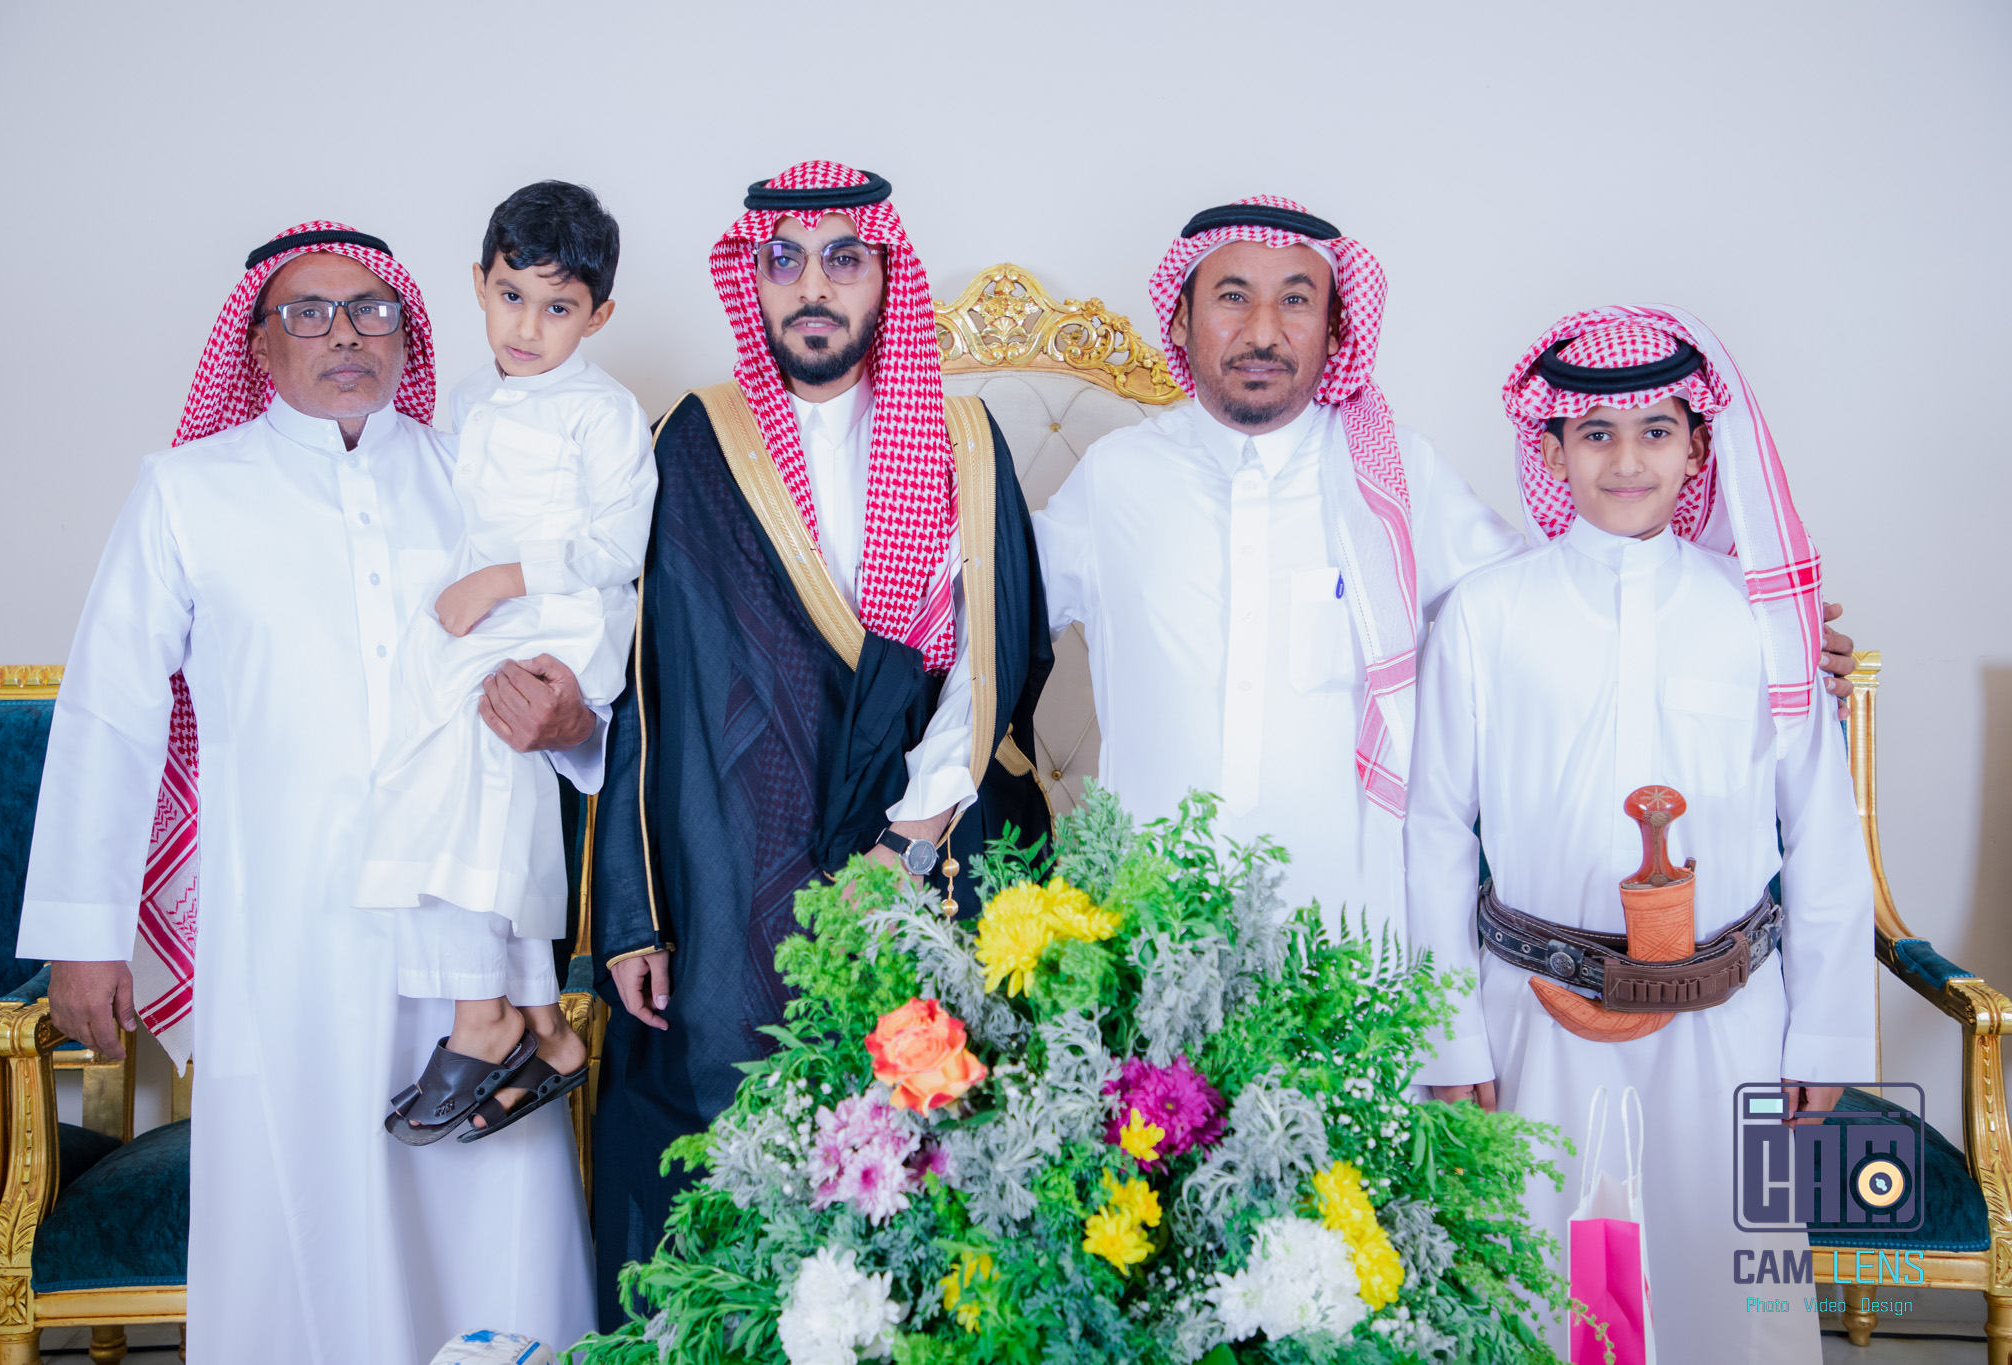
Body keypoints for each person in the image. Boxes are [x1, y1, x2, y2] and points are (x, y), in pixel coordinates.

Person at [17, 223, 597, 1359]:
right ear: (258, 343)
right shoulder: (188, 491)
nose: (345, 335)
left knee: (490, 1202)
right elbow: (109, 715)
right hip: (286, 936)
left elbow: (572, 650)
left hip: (467, 936)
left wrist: (574, 723)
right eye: (310, 313)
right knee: (309, 1210)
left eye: (371, 311)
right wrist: (84, 936)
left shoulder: (476, 479)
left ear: (407, 333)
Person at [1032, 196, 1860, 942]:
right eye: (1232, 296)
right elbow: (997, 611)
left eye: (1296, 299)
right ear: (1181, 318)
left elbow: (1553, 608)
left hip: (1349, 938)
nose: (1263, 331)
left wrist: (1755, 634)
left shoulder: (1397, 477)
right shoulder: (1116, 478)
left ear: (1335, 327)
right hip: (1145, 931)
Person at [585, 161, 1055, 1328]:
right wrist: (632, 911)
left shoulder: (962, 439)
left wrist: (913, 833)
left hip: (924, 850)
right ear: (751, 281)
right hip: (734, 858)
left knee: (927, 1140)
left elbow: (993, 656)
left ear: (884, 276)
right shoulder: (696, 442)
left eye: (843, 258)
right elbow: (646, 679)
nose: (813, 286)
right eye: (784, 260)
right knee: (724, 1125)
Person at [1406, 307, 1875, 1362]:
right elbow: (1435, 832)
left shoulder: (1763, 616)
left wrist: (1828, 1034)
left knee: (1732, 1298)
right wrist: (1450, 1037)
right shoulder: (1485, 615)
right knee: (1554, 1293)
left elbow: (1819, 827)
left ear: (1698, 449)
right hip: (1535, 1019)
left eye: (1656, 432)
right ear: (1550, 451)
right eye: (1595, 434)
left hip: (1732, 1019)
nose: (1626, 461)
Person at [358, 182, 653, 1144]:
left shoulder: (603, 411)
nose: (528, 327)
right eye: (511, 296)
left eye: (559, 307)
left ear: (599, 315)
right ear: (478, 285)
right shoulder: (471, 396)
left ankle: (484, 1014)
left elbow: (617, 548)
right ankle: (541, 1023)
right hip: (493, 614)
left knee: (475, 746)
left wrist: (496, 581)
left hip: (564, 620)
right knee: (444, 758)